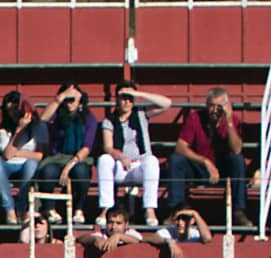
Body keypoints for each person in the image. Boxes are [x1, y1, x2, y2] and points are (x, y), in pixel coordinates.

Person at [168, 87, 249, 229]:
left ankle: (238, 210)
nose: (214, 110)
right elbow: (180, 147)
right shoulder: (195, 118)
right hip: (200, 167)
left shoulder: (233, 121)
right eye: (211, 105)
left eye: (219, 106)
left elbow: (236, 150)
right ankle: (176, 209)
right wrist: (205, 162)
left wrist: (228, 121)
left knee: (238, 160)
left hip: (224, 167)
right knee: (176, 160)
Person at [96, 80, 171, 227]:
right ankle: (105, 209)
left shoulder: (142, 114)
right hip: (120, 167)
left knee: (152, 161)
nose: (126, 101)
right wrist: (121, 156)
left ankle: (150, 210)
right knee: (104, 159)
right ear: (117, 99)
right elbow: (108, 147)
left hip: (139, 167)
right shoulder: (109, 121)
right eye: (123, 97)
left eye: (129, 98)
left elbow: (167, 103)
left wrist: (138, 94)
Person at [36, 82, 96, 223]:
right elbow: (43, 119)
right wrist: (61, 96)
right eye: (67, 100)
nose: (70, 103)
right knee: (48, 171)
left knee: (81, 172)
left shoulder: (88, 118)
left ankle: (79, 209)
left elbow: (87, 147)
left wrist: (69, 166)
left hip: (78, 158)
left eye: (72, 99)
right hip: (57, 157)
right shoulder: (57, 116)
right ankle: (49, 208)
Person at [0, 90, 48, 226]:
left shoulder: (38, 126)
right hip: (9, 165)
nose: (13, 113)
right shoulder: (4, 129)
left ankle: (22, 208)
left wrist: (17, 153)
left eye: (15, 109)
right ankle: (9, 210)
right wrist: (19, 130)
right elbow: (7, 155)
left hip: (28, 164)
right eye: (9, 110)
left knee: (32, 164)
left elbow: (40, 155)